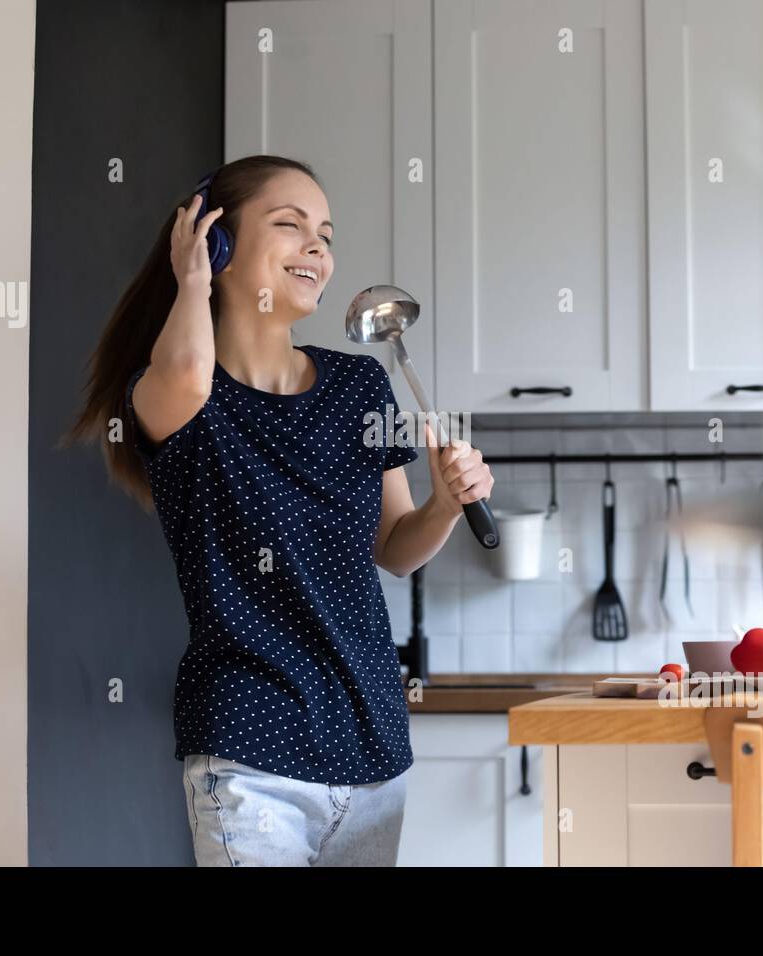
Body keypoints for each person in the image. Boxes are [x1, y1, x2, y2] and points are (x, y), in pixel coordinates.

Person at [64, 155, 494, 865]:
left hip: (370, 738)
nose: (318, 247)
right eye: (289, 226)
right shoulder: (173, 395)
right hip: (248, 744)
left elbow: (394, 546)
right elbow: (189, 372)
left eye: (325, 232)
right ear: (219, 245)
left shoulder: (360, 385)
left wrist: (445, 507)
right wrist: (191, 280)